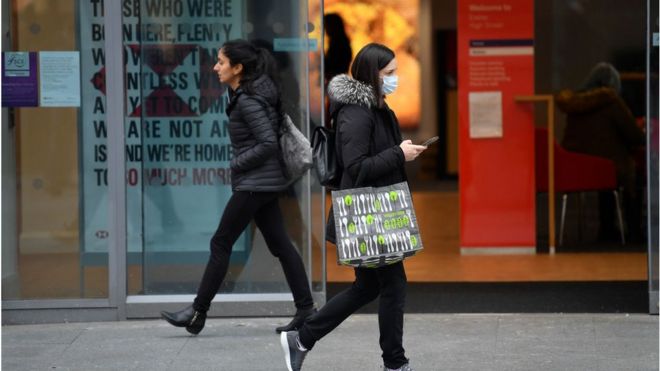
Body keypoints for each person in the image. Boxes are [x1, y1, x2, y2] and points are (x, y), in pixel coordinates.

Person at [280, 43, 427, 371]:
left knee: (368, 286)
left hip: (376, 211)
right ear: (371, 75)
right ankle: (394, 363)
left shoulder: (376, 107)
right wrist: (399, 154)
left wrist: (400, 153)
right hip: (368, 212)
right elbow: (356, 166)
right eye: (389, 74)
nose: (395, 79)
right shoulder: (356, 112)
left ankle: (302, 338)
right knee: (392, 284)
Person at [160, 39, 316, 335]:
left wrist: (236, 163)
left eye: (221, 62)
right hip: (264, 182)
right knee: (281, 244)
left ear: (238, 68)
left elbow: (268, 143)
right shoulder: (251, 94)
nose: (215, 67)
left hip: (255, 183)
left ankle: (197, 312)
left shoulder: (248, 100)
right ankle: (306, 309)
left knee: (221, 242)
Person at [556, 62, 645, 242]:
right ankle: (634, 232)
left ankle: (606, 231)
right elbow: (635, 136)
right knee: (632, 176)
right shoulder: (612, 102)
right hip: (609, 170)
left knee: (605, 174)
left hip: (577, 171)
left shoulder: (575, 104)